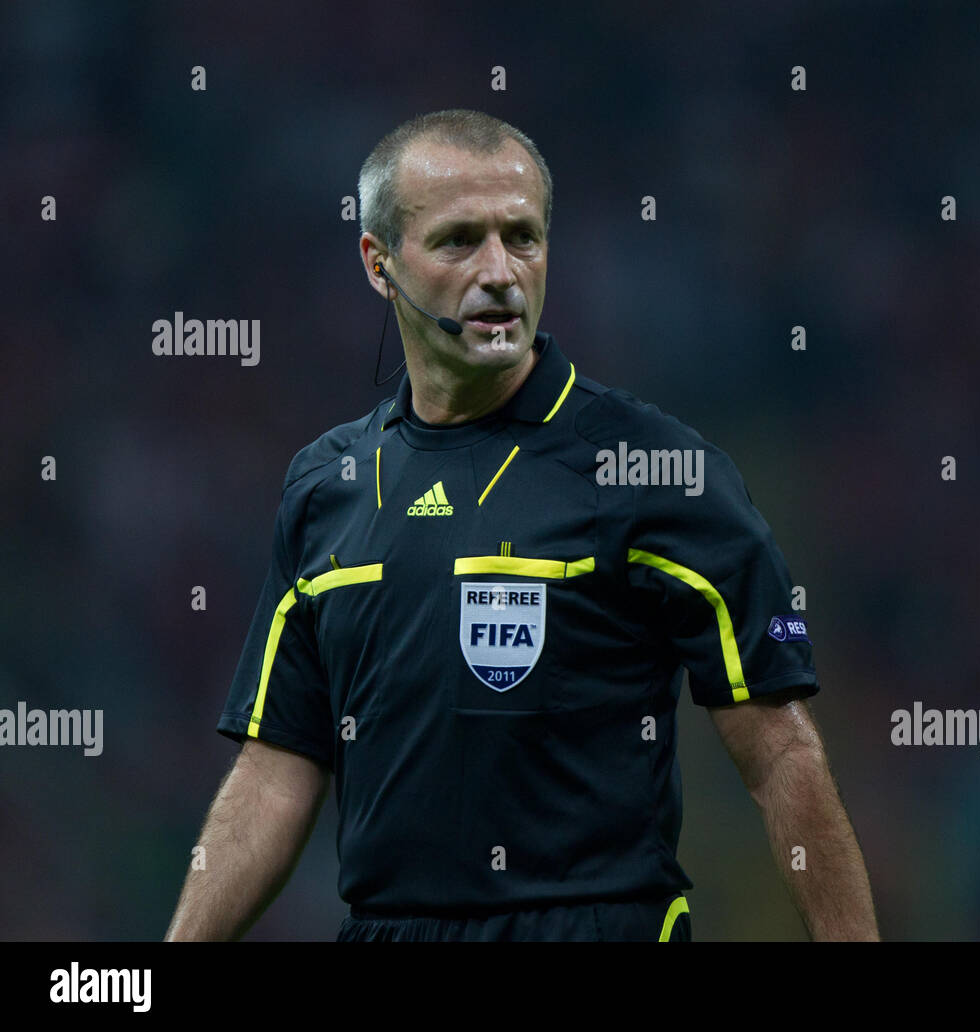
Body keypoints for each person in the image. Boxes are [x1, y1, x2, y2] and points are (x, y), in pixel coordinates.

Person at [164, 109, 879, 942]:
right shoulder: (329, 487)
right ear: (379, 263)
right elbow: (277, 765)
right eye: (459, 240)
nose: (500, 272)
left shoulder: (658, 472)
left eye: (523, 237)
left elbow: (781, 753)